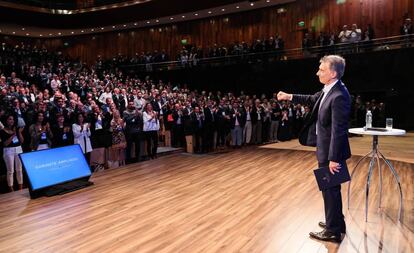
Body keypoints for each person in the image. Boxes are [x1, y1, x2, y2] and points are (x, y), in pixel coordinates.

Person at [277, 55, 351, 243]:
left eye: (322, 69)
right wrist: (289, 96)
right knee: (329, 188)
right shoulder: (329, 90)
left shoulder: (339, 95)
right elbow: (311, 99)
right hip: (325, 150)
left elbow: (339, 130)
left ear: (333, 73)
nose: (318, 72)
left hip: (331, 153)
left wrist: (334, 158)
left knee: (330, 189)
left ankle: (333, 231)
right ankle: (336, 223)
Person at [0, 115, 24, 192]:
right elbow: (5, 144)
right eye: (10, 119)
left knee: (19, 170)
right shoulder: (2, 131)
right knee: (10, 171)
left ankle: (20, 188)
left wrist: (18, 132)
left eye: (13, 119)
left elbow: (22, 141)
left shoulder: (16, 129)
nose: (12, 121)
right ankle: (11, 190)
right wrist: (13, 134)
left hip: (19, 149)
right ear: (6, 121)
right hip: (8, 150)